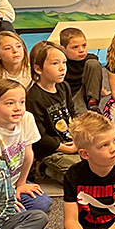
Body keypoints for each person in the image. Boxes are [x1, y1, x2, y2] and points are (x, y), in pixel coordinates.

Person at [0, 80, 52, 212]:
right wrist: (6, 197)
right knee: (19, 213)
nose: (18, 108)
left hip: (13, 181)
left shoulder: (26, 118)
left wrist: (22, 183)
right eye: (10, 103)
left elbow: (28, 154)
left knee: (44, 203)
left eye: (22, 102)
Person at [27, 41, 80, 184]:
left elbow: (72, 113)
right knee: (80, 175)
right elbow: (38, 135)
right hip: (50, 150)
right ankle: (44, 168)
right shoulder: (33, 97)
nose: (62, 68)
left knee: (101, 162)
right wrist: (63, 148)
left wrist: (78, 137)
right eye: (55, 64)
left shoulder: (64, 86)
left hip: (69, 140)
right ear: (38, 69)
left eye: (64, 62)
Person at [59, 27, 103, 114]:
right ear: (63, 49)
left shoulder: (91, 58)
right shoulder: (61, 62)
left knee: (93, 64)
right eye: (75, 47)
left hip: (86, 90)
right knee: (82, 117)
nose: (81, 50)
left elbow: (95, 78)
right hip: (71, 94)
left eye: (84, 45)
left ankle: (93, 103)